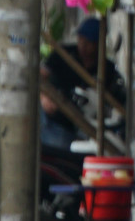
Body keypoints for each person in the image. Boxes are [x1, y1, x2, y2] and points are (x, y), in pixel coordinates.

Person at [41, 17, 124, 147]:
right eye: (81, 39)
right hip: (53, 119)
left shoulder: (107, 69)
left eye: (88, 42)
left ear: (99, 44)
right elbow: (41, 76)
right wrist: (44, 97)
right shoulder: (63, 54)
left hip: (84, 125)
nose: (83, 45)